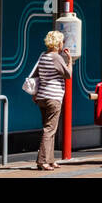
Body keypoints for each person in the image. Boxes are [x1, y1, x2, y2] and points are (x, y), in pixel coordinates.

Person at [30, 30, 72, 171]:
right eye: (62, 41)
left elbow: (36, 74)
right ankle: (42, 161)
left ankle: (50, 159)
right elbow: (68, 75)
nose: (62, 44)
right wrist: (70, 60)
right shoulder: (56, 57)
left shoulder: (43, 56)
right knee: (49, 130)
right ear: (58, 42)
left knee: (50, 129)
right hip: (53, 97)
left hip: (42, 97)